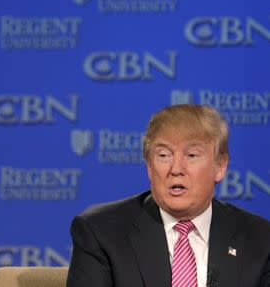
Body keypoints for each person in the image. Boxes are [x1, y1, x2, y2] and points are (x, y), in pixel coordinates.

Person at [66, 104, 270, 287]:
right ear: (149, 166)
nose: (176, 169)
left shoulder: (259, 239)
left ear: (220, 166)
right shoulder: (101, 232)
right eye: (164, 155)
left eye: (191, 155)